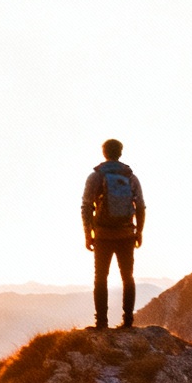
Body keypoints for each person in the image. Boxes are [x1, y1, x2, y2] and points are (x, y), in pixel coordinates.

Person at [81, 139, 146, 329]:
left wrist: (88, 233)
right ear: (120, 152)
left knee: (101, 277)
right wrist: (139, 231)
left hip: (103, 235)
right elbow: (140, 206)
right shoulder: (131, 177)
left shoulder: (95, 177)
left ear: (104, 153)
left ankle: (101, 322)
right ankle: (128, 321)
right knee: (128, 277)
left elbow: (86, 206)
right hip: (126, 234)